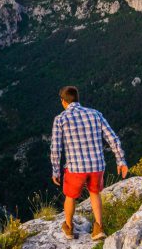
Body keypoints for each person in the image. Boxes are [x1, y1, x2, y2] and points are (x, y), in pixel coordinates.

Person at [50, 85, 128, 241]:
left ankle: (69, 227)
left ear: (63, 101)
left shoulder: (61, 119)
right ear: (77, 98)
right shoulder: (95, 114)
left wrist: (56, 171)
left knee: (70, 197)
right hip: (97, 166)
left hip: (75, 168)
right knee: (95, 194)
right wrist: (121, 160)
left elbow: (56, 148)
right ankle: (98, 228)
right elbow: (112, 138)